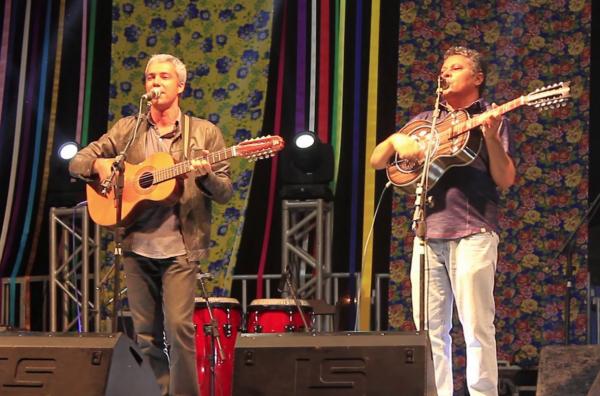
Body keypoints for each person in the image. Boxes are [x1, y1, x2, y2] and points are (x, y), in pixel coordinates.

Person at [69, 53, 233, 395]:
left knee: (178, 329)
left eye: (163, 77)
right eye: (150, 78)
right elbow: (78, 161)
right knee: (145, 335)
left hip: (180, 248)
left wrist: (204, 176)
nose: (155, 83)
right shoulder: (128, 129)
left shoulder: (203, 133)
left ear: (181, 85)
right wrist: (98, 165)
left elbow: (225, 192)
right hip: (136, 244)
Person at [370, 46, 516, 396]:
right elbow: (378, 161)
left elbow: (506, 178)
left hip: (473, 232)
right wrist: (396, 139)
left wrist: (492, 138)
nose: (445, 73)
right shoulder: (426, 121)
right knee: (429, 329)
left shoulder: (491, 118)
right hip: (427, 233)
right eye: (443, 68)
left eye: (456, 68)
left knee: (477, 325)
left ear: (477, 78)